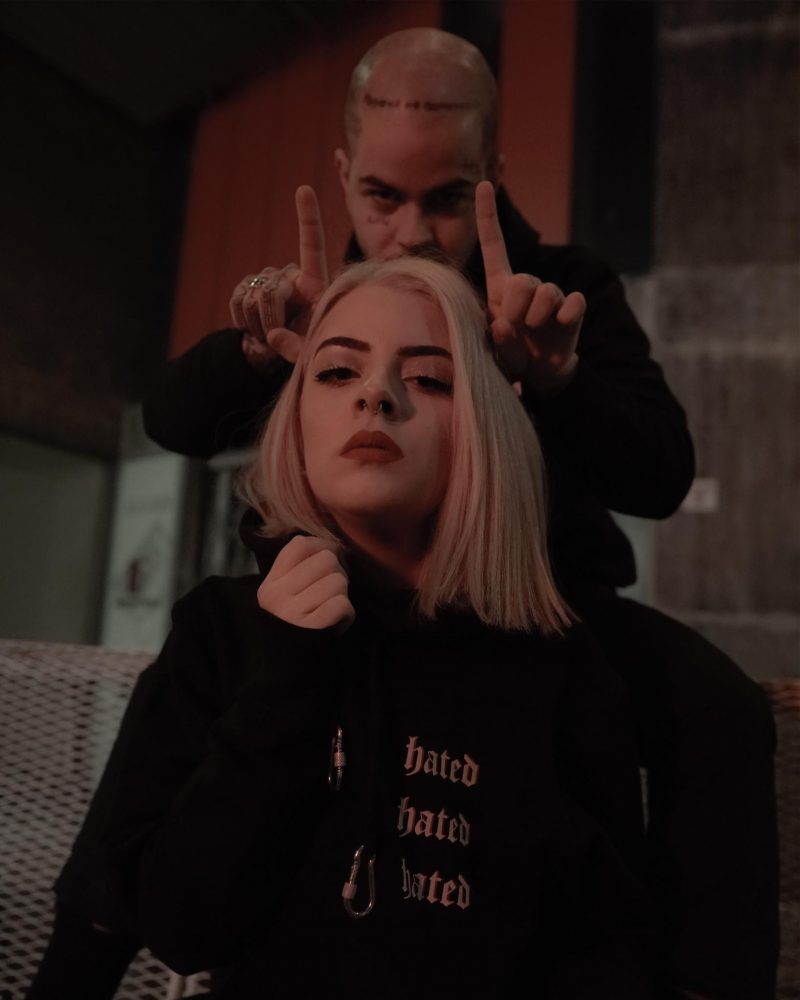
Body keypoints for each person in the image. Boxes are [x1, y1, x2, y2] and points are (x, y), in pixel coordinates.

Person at [141, 28, 778, 1000]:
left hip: (537, 604)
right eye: (381, 198)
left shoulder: (564, 285)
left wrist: (560, 382)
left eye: (447, 198)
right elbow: (172, 420)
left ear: (493, 172)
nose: (410, 234)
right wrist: (260, 351)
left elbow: (661, 472)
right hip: (351, 607)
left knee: (717, 704)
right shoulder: (321, 299)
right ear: (344, 175)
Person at [131, 256, 655, 997]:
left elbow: (610, 951)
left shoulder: (559, 664)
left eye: (430, 379)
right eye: (337, 371)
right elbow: (181, 930)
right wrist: (287, 678)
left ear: (481, 428)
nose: (375, 393)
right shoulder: (221, 628)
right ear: (296, 420)